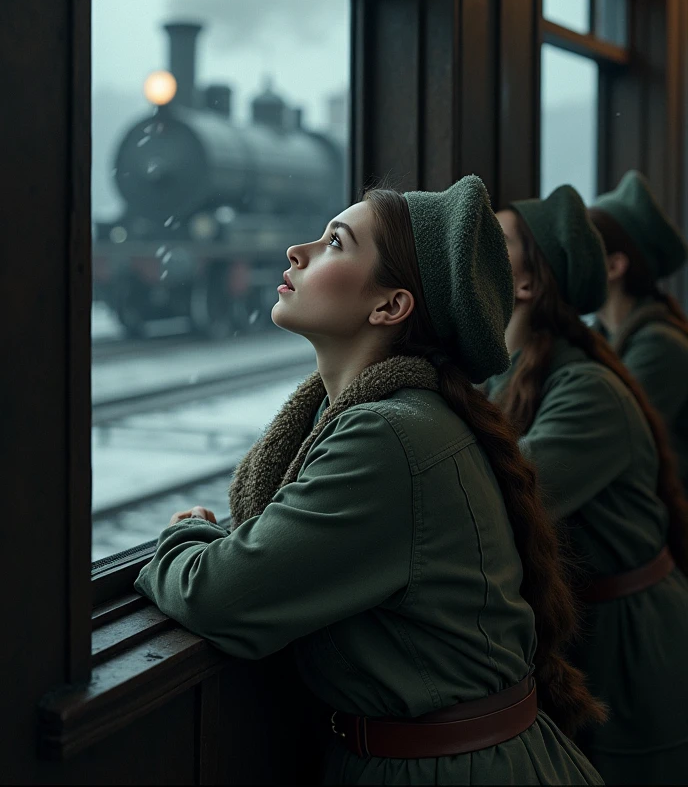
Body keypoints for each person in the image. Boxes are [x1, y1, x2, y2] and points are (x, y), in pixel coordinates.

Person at [135, 177, 603, 785]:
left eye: (335, 241)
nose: (296, 252)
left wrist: (181, 540)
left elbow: (219, 596)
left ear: (389, 306)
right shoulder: (392, 417)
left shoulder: (389, 437)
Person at [488, 184, 688, 786]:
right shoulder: (510, 373)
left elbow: (486, 496)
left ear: (525, 285)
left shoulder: (587, 391)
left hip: (631, 646)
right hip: (587, 634)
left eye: (491, 242)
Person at [589, 170, 688, 490]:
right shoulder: (603, 337)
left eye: (583, 248)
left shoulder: (661, 346)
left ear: (615, 266)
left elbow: (606, 442)